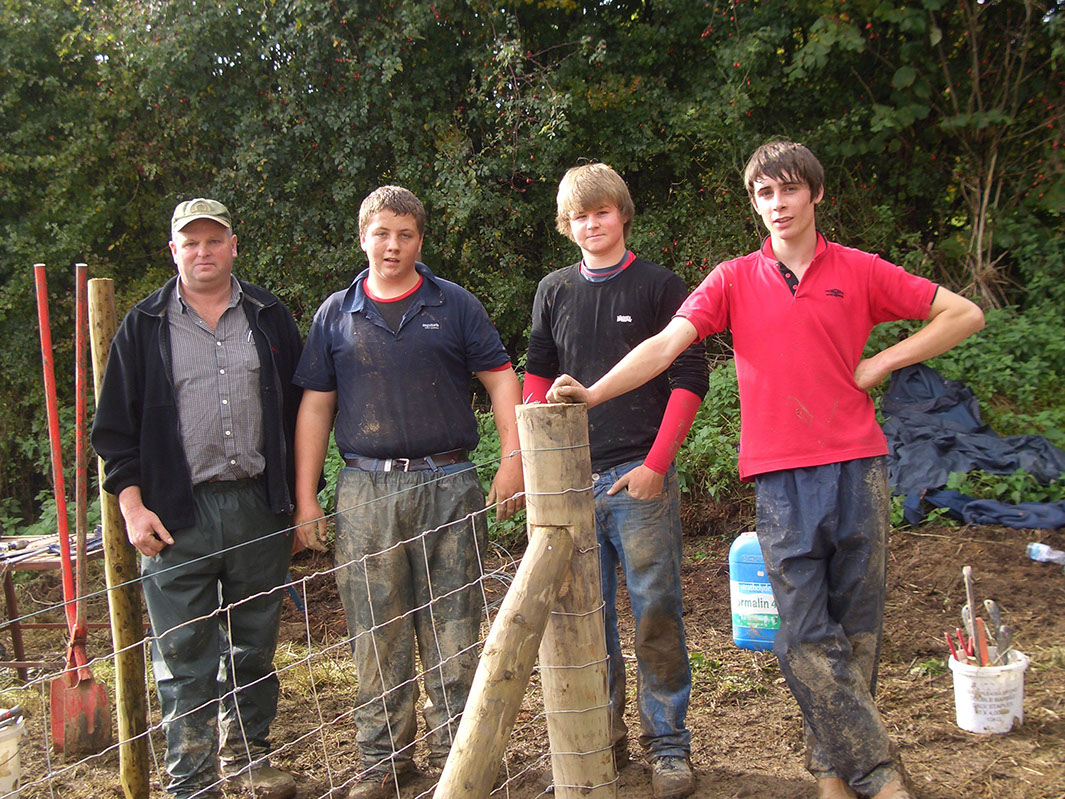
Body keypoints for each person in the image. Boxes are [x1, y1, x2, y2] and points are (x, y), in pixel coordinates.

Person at [548, 141, 985, 799]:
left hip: (858, 466)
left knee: (855, 630)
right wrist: (593, 393)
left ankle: (831, 773)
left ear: (815, 193)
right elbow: (666, 345)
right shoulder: (731, 279)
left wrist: (882, 362)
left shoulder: (859, 269)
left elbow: (963, 313)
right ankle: (877, 771)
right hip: (780, 477)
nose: (777, 204)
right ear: (754, 203)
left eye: (788, 189)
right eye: (764, 193)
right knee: (803, 633)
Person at [291, 185, 524, 799]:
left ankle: (457, 759)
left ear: (420, 240)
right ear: (362, 237)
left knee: (456, 625)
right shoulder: (335, 315)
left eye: (405, 235)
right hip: (365, 491)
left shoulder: (455, 305)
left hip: (449, 483)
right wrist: (307, 497)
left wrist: (513, 461)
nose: (392, 246)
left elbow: (502, 381)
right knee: (376, 632)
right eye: (382, 233)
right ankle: (383, 763)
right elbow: (315, 408)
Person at [92, 198, 304, 799]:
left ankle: (249, 758)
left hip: (258, 506)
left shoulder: (268, 316)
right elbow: (113, 433)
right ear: (174, 251)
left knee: (254, 645)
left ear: (233, 246)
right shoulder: (143, 326)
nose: (203, 252)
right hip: (174, 516)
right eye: (191, 243)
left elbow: (301, 413)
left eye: (214, 241)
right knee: (184, 655)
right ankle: (192, 781)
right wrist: (133, 509)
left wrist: (297, 499)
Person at [524, 163, 708, 799]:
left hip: (639, 477)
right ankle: (602, 738)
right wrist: (535, 463)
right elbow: (536, 377)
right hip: (571, 480)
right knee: (584, 616)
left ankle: (669, 745)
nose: (591, 224)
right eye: (579, 216)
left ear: (623, 214)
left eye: (601, 211)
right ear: (565, 225)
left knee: (655, 610)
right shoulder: (553, 290)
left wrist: (656, 466)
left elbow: (690, 378)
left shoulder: (659, 285)